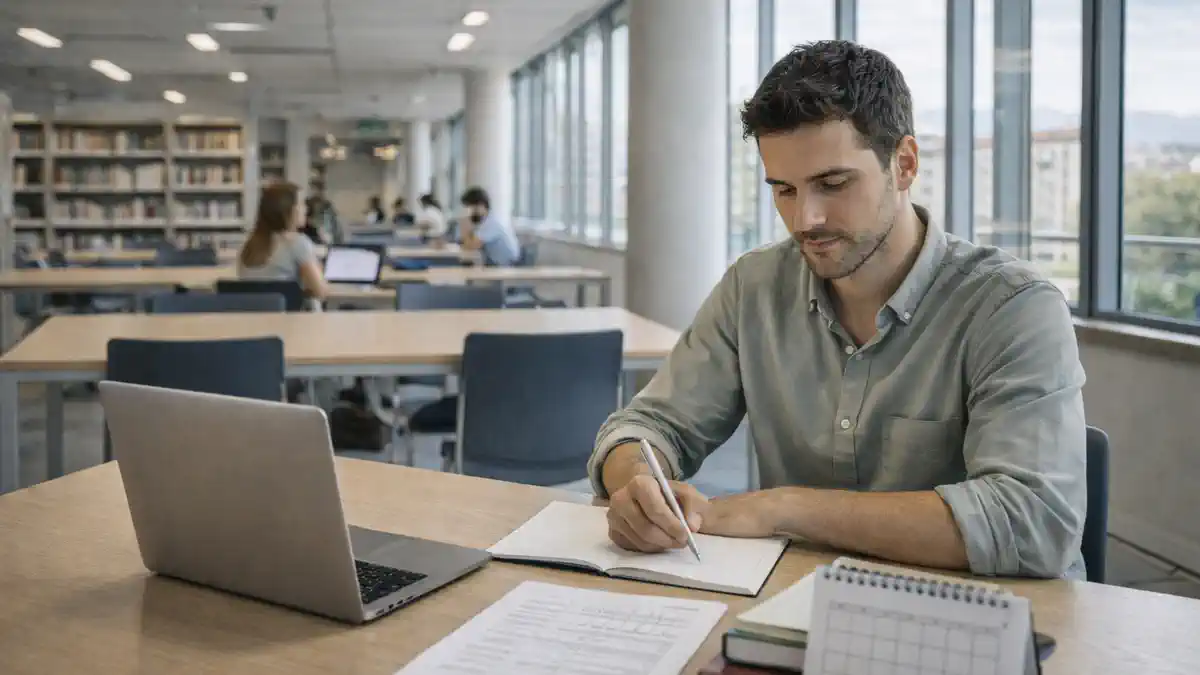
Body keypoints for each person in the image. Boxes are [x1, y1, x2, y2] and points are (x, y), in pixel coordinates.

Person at [590, 40, 1087, 579]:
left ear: (904, 164)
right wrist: (639, 483)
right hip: (798, 604)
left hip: (973, 627)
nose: (806, 218)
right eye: (783, 190)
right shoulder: (752, 287)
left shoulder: (1012, 308)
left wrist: (785, 508)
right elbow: (648, 425)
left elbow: (1032, 523)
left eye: (833, 184)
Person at [238, 181, 329, 302]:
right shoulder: (297, 242)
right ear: (287, 209)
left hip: (249, 318)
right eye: (301, 204)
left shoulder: (248, 244)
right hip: (287, 319)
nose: (306, 209)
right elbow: (321, 292)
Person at [459, 186, 521, 266]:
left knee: (466, 265)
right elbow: (467, 244)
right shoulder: (486, 221)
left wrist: (465, 226)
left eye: (470, 208)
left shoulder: (491, 223)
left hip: (506, 265)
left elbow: (470, 246)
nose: (469, 213)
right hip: (497, 263)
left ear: (481, 205)